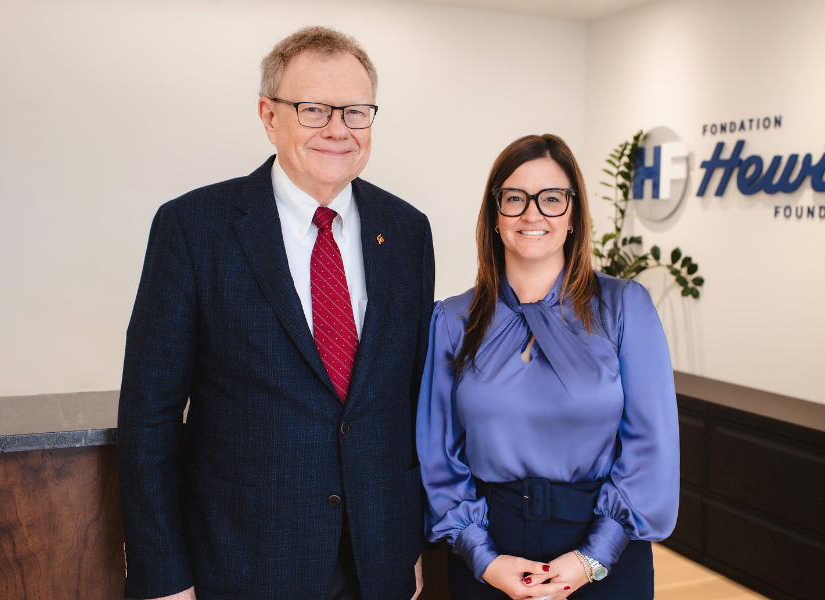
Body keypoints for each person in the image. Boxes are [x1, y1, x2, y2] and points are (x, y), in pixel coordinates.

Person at [118, 27, 432, 600]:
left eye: (356, 111)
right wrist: (163, 577)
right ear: (269, 116)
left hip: (380, 563)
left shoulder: (408, 231)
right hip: (244, 566)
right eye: (313, 109)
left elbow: (408, 402)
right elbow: (149, 418)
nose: (338, 128)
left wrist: (409, 544)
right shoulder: (193, 229)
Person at [416, 134, 679, 600]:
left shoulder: (624, 308)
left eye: (551, 198)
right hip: (490, 555)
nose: (532, 213)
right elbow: (439, 452)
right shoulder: (452, 319)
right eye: (514, 198)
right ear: (494, 216)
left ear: (573, 214)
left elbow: (651, 446)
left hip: (605, 554)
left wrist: (594, 557)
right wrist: (482, 556)